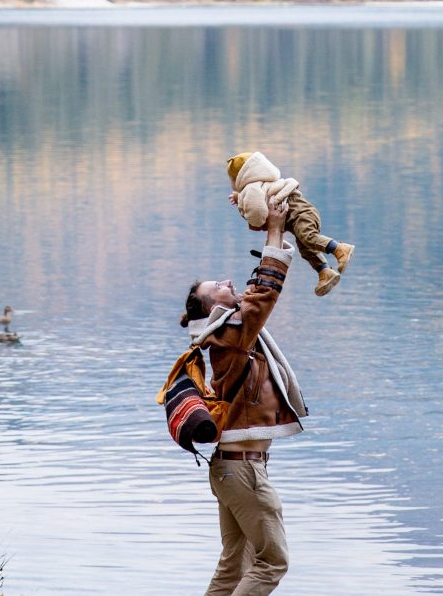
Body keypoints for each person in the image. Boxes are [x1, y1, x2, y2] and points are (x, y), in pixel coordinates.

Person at [180, 197, 308, 596]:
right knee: (273, 561)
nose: (227, 282)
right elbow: (262, 296)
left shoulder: (228, 336)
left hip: (232, 469)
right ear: (214, 307)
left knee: (235, 566)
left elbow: (255, 296)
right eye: (218, 287)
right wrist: (274, 230)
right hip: (242, 470)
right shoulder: (231, 335)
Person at [226, 151, 354, 297]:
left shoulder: (252, 188)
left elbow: (257, 212)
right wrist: (240, 197)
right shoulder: (263, 182)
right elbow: (260, 195)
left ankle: (339, 248)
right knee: (306, 248)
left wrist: (251, 218)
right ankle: (325, 272)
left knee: (308, 238)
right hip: (300, 213)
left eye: (231, 180)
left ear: (241, 177)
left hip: (298, 213)